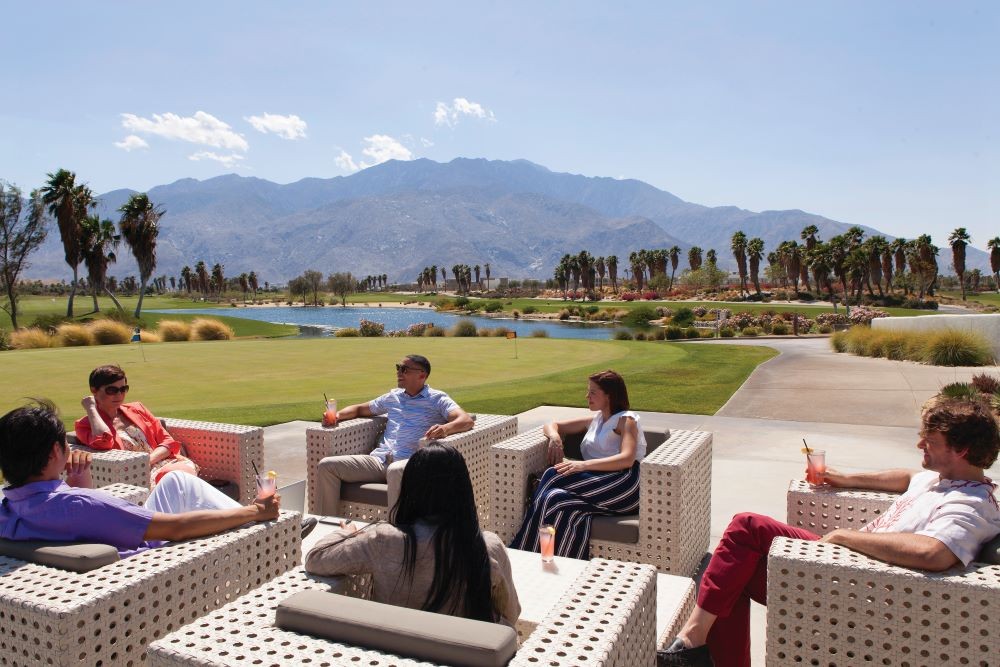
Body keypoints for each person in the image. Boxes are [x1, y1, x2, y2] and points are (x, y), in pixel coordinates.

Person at [658, 395, 1000, 667]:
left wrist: (844, 536)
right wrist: (845, 478)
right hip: (843, 568)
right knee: (734, 573)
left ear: (962, 450)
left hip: (862, 591)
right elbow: (904, 477)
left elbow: (934, 553)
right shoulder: (938, 479)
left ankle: (691, 640)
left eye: (930, 441)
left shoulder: (970, 504)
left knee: (746, 527)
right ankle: (699, 648)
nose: (919, 445)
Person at [0, 401, 280, 558]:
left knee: (176, 483)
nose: (71, 449)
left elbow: (76, 525)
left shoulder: (8, 510)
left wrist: (77, 483)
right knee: (183, 486)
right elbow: (176, 529)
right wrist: (253, 510)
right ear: (53, 453)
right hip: (157, 565)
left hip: (94, 571)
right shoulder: (79, 504)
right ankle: (270, 531)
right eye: (66, 443)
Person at [305, 442, 520, 627]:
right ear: (463, 489)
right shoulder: (487, 546)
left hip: (395, 654)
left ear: (410, 488)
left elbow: (316, 559)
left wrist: (345, 534)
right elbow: (511, 614)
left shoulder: (383, 541)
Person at [509, 369, 648, 560]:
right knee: (554, 499)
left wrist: (582, 466)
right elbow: (551, 425)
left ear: (609, 395)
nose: (587, 396)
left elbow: (627, 458)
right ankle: (549, 559)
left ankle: (519, 552)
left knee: (552, 475)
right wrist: (555, 437)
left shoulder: (626, 420)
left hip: (624, 484)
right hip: (598, 482)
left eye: (593, 392)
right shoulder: (596, 420)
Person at [313, 354, 474, 515]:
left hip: (409, 465)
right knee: (327, 466)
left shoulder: (437, 398)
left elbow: (466, 420)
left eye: (404, 369)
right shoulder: (393, 396)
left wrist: (446, 428)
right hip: (379, 461)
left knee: (395, 470)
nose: (399, 373)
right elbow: (359, 409)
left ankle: (395, 534)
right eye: (398, 368)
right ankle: (327, 527)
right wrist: (337, 416)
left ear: (422, 375)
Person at [75, 364, 198, 488]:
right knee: (176, 481)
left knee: (177, 476)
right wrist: (91, 408)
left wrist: (147, 461)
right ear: (94, 390)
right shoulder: (84, 425)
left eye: (123, 389)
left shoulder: (138, 408)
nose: (119, 395)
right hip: (134, 477)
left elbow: (168, 441)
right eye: (112, 390)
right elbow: (103, 442)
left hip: (165, 463)